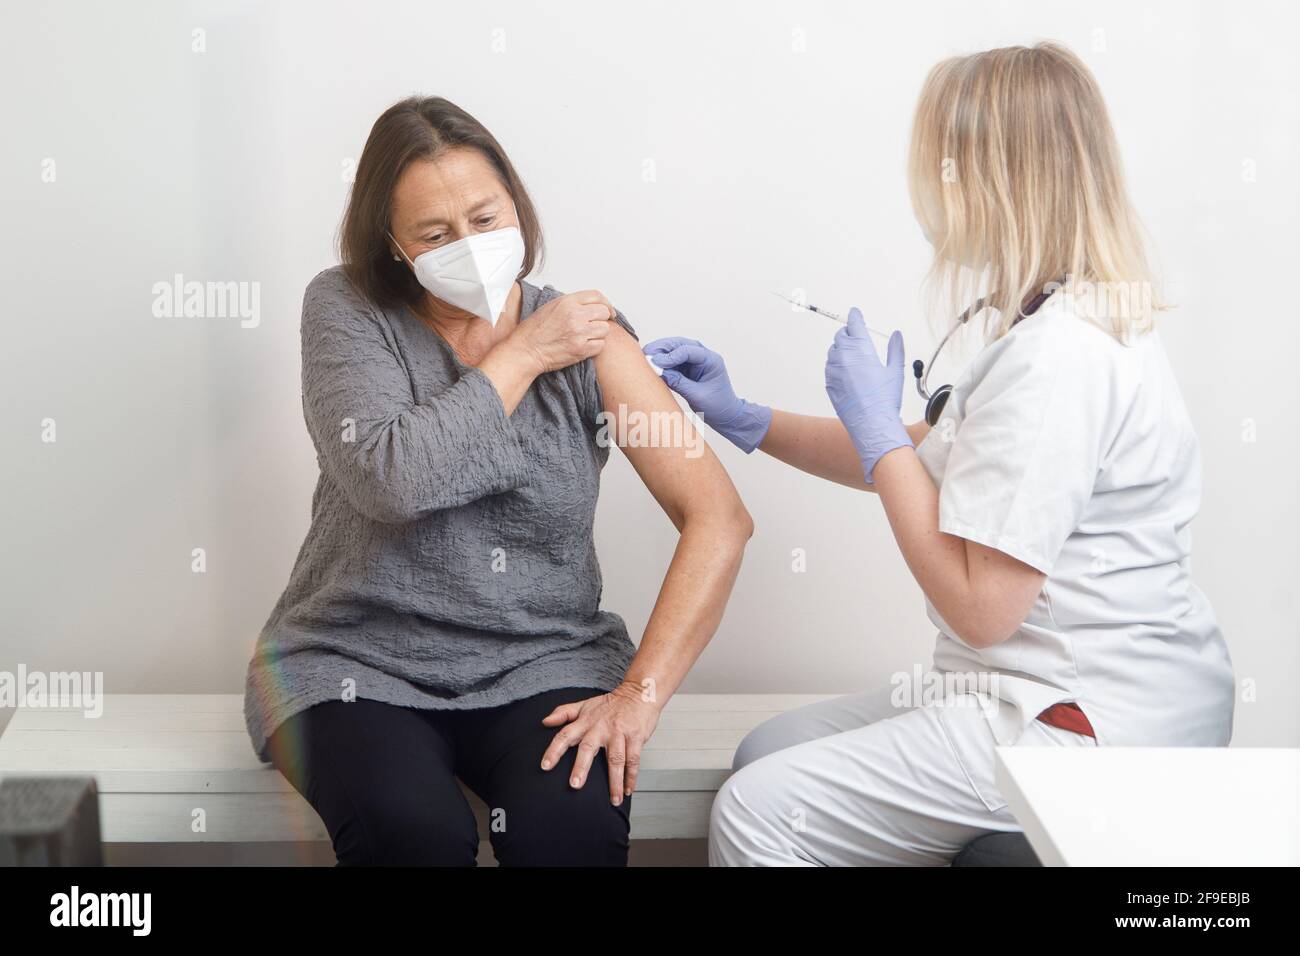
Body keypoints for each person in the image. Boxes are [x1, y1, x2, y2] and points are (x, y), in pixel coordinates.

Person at [645, 42, 1234, 866]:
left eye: (934, 164)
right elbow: (928, 456)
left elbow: (981, 609)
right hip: (1039, 688)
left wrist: (880, 433)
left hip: (1087, 721)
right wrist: (748, 419)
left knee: (761, 810)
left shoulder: (1062, 359)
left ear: (986, 178)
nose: (920, 186)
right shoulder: (1059, 320)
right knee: (768, 753)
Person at [243, 96, 753, 866]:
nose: (470, 245)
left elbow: (718, 517)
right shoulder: (348, 309)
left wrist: (638, 698)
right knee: (414, 834)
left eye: (485, 219)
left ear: (516, 206)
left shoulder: (591, 337)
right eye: (436, 234)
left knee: (566, 836)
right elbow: (393, 481)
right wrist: (523, 355)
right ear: (393, 244)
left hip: (542, 660)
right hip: (355, 662)